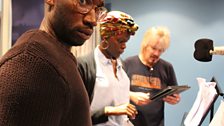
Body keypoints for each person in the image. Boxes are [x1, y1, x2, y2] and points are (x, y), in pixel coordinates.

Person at [0, 0, 105, 125]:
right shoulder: (31, 63)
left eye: (97, 9)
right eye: (82, 2)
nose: (93, 20)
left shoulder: (58, 59)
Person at [77, 11, 139, 125]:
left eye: (126, 41)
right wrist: (109, 110)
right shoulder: (84, 66)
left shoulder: (122, 66)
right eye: (120, 41)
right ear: (105, 37)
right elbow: (75, 115)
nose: (124, 46)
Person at [124, 26, 181, 126]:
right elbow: (115, 93)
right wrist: (131, 95)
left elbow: (175, 95)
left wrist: (175, 99)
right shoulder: (128, 63)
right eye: (154, 48)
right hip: (129, 123)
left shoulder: (167, 67)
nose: (156, 53)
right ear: (145, 45)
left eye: (161, 50)